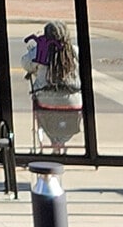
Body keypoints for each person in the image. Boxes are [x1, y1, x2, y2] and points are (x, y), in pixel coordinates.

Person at [24, 20, 83, 152]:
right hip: (73, 103)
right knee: (67, 118)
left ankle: (55, 143)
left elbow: (25, 64)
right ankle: (59, 143)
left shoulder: (40, 51)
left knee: (45, 115)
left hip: (45, 103)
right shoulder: (75, 52)